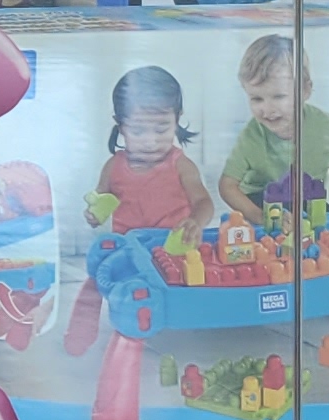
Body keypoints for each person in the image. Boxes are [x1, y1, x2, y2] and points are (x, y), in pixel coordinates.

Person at [66, 66, 217, 354]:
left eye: (161, 129)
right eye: (137, 130)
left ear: (177, 120)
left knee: (185, 292)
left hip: (172, 252)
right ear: (120, 125)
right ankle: (84, 328)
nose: (150, 141)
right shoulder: (114, 167)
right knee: (100, 270)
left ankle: (178, 328)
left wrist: (195, 222)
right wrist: (94, 214)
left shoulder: (180, 165)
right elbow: (100, 202)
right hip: (130, 254)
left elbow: (203, 202)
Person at [219, 35, 329, 229]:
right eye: (257, 99)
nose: (268, 110)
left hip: (307, 199)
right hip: (260, 199)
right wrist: (259, 216)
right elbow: (227, 185)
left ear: (305, 90)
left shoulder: (325, 125)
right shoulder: (252, 134)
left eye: (279, 97)